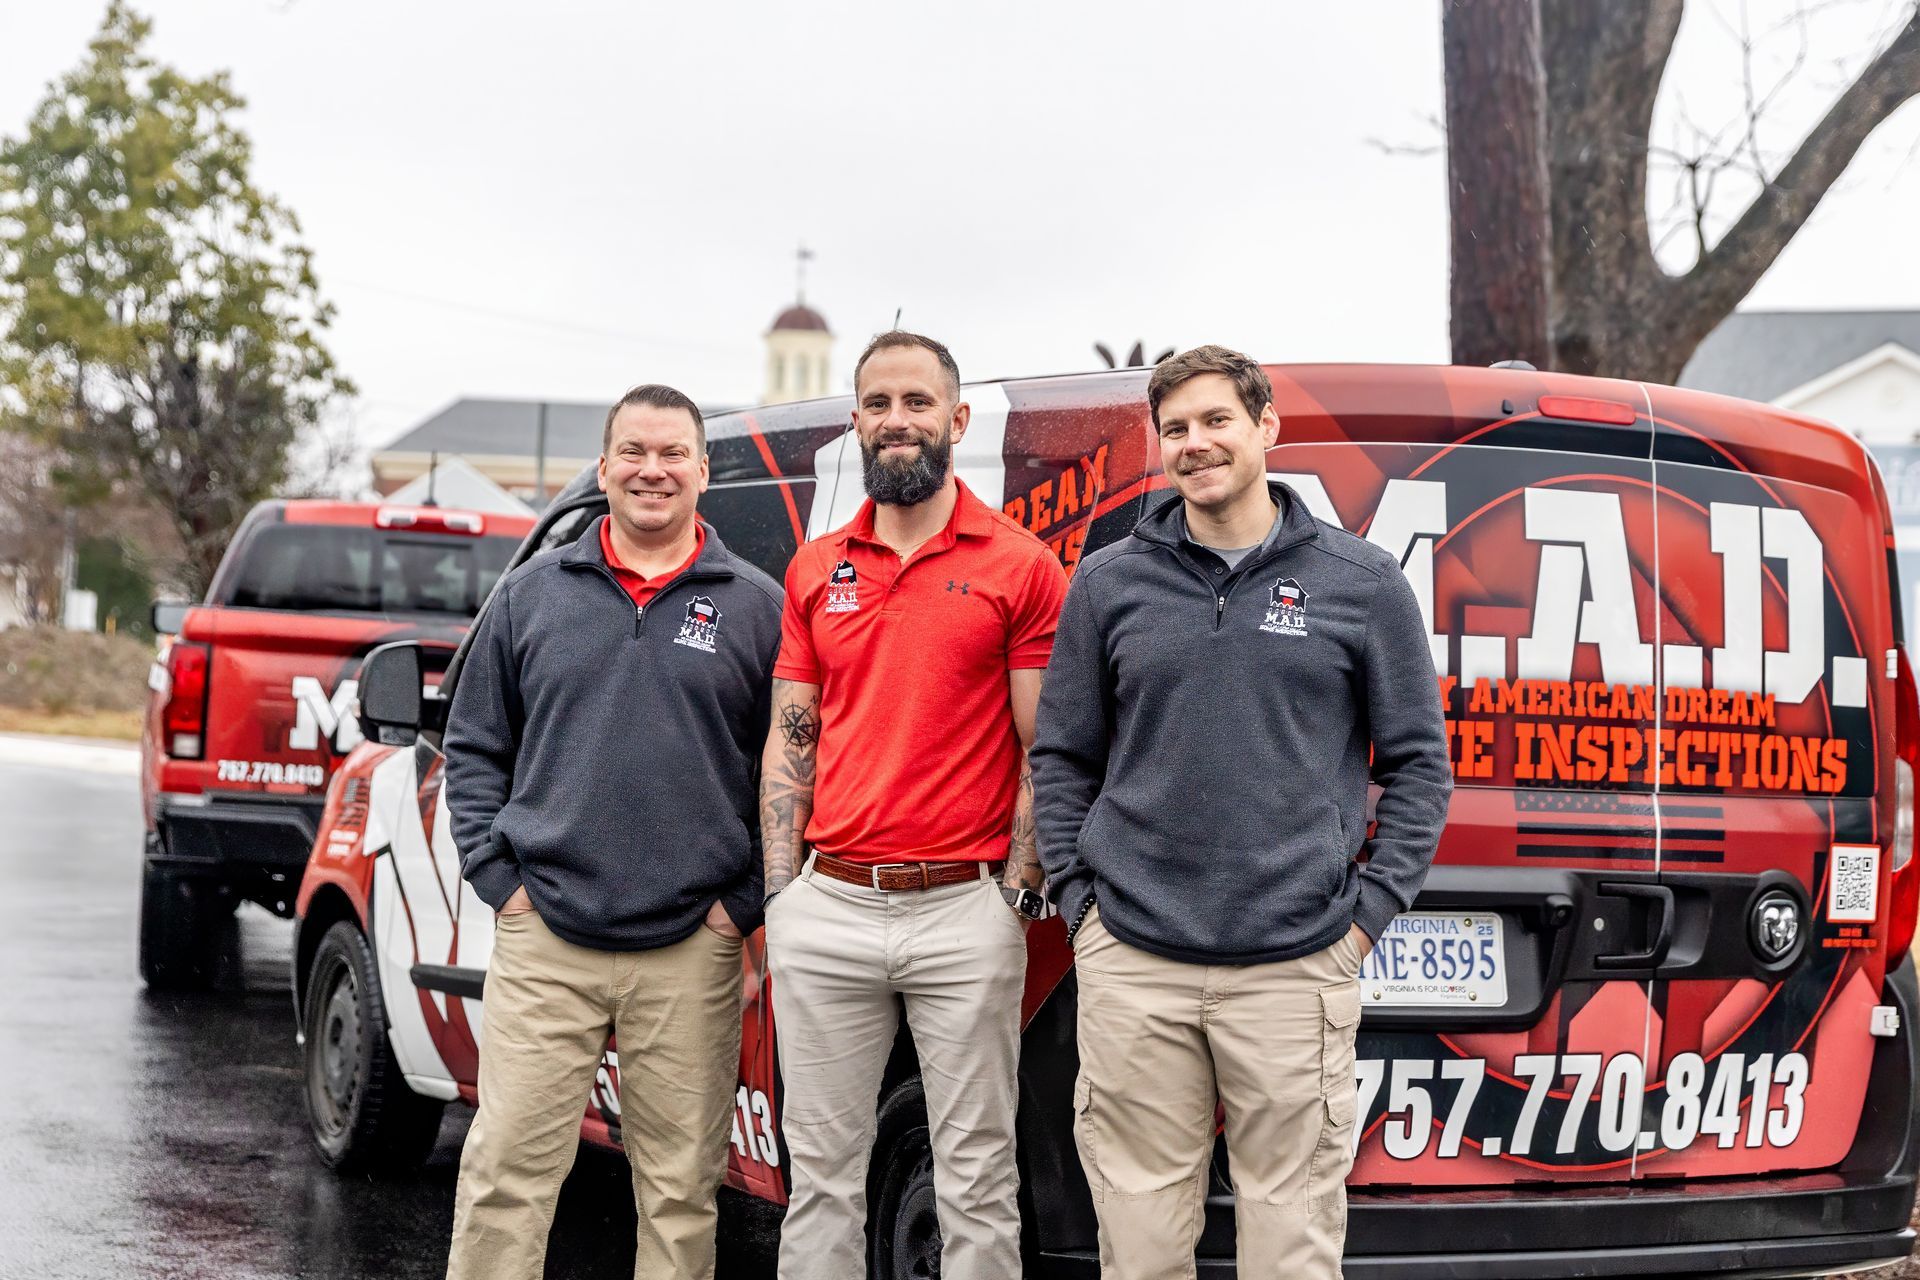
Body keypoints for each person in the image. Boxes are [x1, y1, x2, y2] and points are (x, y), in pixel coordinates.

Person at [1031, 345, 1452, 1279]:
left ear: (1266, 427)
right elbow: (1061, 756)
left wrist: (1366, 919)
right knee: (1139, 1251)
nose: (1195, 444)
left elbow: (1421, 765)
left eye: (1216, 420)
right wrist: (1082, 906)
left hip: (1296, 966)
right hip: (1135, 960)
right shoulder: (1109, 583)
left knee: (1292, 1247)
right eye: (1175, 429)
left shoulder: (1362, 582)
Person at [442, 383, 784, 1280]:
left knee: (678, 1192)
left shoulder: (757, 608)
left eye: (673, 453)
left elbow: (789, 773)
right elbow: (475, 746)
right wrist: (501, 884)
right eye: (633, 451)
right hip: (546, 935)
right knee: (506, 1176)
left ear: (704, 473)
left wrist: (738, 910)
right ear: (603, 468)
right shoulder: (529, 597)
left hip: (690, 949)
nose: (652, 470)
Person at [760, 330, 1069, 1280]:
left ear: (957, 420)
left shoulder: (1020, 566)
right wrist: (781, 893)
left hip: (963, 912)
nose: (899, 421)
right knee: (820, 1180)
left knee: (975, 1179)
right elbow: (792, 735)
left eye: (919, 403)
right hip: (830, 906)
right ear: (856, 421)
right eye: (879, 404)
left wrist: (1016, 891)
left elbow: (1043, 747)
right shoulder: (815, 569)